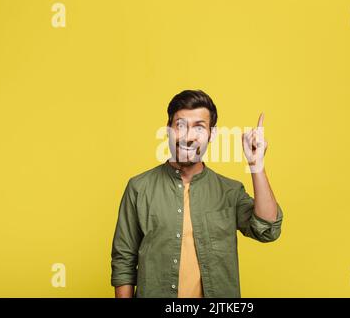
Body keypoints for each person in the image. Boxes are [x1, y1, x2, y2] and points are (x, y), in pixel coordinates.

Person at [111, 89, 284, 298]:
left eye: (199, 128)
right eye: (180, 125)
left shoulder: (229, 191)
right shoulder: (139, 188)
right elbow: (124, 261)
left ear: (212, 134)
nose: (188, 137)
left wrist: (256, 164)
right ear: (168, 130)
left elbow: (267, 229)